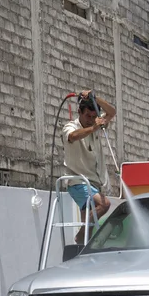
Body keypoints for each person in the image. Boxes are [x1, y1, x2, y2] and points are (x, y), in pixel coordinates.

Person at [62, 90, 116, 244]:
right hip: (78, 182)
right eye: (87, 116)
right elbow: (73, 136)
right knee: (104, 204)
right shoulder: (71, 126)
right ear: (79, 112)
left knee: (89, 232)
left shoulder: (97, 125)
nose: (91, 120)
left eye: (94, 117)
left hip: (94, 184)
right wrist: (93, 128)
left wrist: (95, 98)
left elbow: (112, 112)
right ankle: (80, 235)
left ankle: (82, 248)